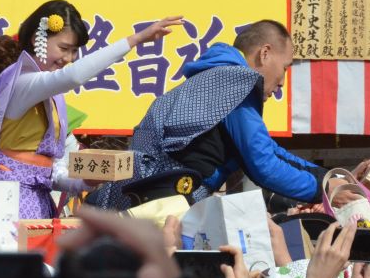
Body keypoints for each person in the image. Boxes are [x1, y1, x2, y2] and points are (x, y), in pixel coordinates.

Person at [88, 20, 347, 211]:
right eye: (285, 67)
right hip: (158, 206)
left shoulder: (214, 79)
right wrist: (323, 188)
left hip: (137, 199)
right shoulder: (236, 81)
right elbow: (263, 165)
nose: (282, 81)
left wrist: (327, 178)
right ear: (265, 53)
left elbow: (267, 150)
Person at [0, 0, 180, 218]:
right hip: (10, 200)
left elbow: (51, 170)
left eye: (75, 51)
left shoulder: (48, 93)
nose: (68, 58)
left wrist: (84, 181)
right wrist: (135, 39)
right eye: (64, 48)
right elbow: (74, 76)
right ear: (36, 39)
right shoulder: (22, 81)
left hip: (35, 201)